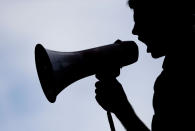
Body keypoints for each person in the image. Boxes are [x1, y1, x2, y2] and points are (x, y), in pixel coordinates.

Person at [95, 0, 193, 130]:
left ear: (164, 18)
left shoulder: (170, 82)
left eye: (141, 21)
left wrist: (121, 109)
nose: (134, 31)